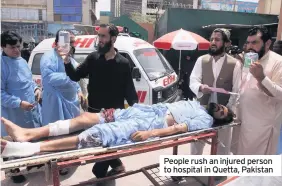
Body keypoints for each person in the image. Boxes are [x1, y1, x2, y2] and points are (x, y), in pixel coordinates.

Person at [1, 100, 234, 158]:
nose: (221, 108)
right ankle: (28, 133)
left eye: (223, 113)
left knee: (94, 136)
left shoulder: (205, 120)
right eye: (223, 107)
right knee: (85, 118)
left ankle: (28, 149)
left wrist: (149, 135)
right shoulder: (198, 102)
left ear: (219, 119)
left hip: (149, 124)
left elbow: (177, 129)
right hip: (141, 111)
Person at [63, 24, 138, 177]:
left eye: (104, 36)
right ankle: (118, 165)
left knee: (101, 157)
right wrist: (66, 61)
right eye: (99, 36)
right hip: (93, 113)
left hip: (112, 116)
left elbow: (129, 91)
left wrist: (137, 111)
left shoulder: (123, 63)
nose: (100, 40)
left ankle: (101, 173)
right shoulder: (93, 58)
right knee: (102, 145)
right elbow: (76, 76)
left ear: (113, 38)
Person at [189, 28, 241, 158]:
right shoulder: (202, 60)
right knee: (197, 139)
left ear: (227, 43)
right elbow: (193, 80)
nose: (213, 42)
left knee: (223, 142)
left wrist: (228, 109)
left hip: (223, 110)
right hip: (203, 107)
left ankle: (218, 170)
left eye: (217, 40)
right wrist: (200, 87)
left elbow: (236, 89)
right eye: (211, 39)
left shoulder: (235, 64)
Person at [1, 31, 42, 183]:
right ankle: (13, 171)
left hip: (30, 110)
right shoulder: (1, 65)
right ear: (2, 46)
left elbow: (29, 81)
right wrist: (18, 103)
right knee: (11, 143)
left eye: (18, 46)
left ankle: (30, 163)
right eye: (12, 47)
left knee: (30, 138)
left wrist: (36, 89)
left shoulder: (22, 61)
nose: (17, 50)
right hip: (12, 112)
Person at [234, 26, 282, 155]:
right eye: (248, 42)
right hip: (242, 122)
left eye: (254, 42)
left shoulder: (278, 62)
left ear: (267, 43)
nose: (249, 46)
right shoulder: (246, 60)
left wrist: (261, 77)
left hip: (261, 129)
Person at [40, 30, 85, 125]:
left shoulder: (69, 58)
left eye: (73, 42)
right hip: (56, 104)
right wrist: (71, 76)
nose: (72, 45)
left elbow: (74, 79)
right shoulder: (48, 58)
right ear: (57, 43)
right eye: (69, 42)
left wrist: (78, 90)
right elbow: (49, 78)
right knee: (56, 133)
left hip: (71, 103)